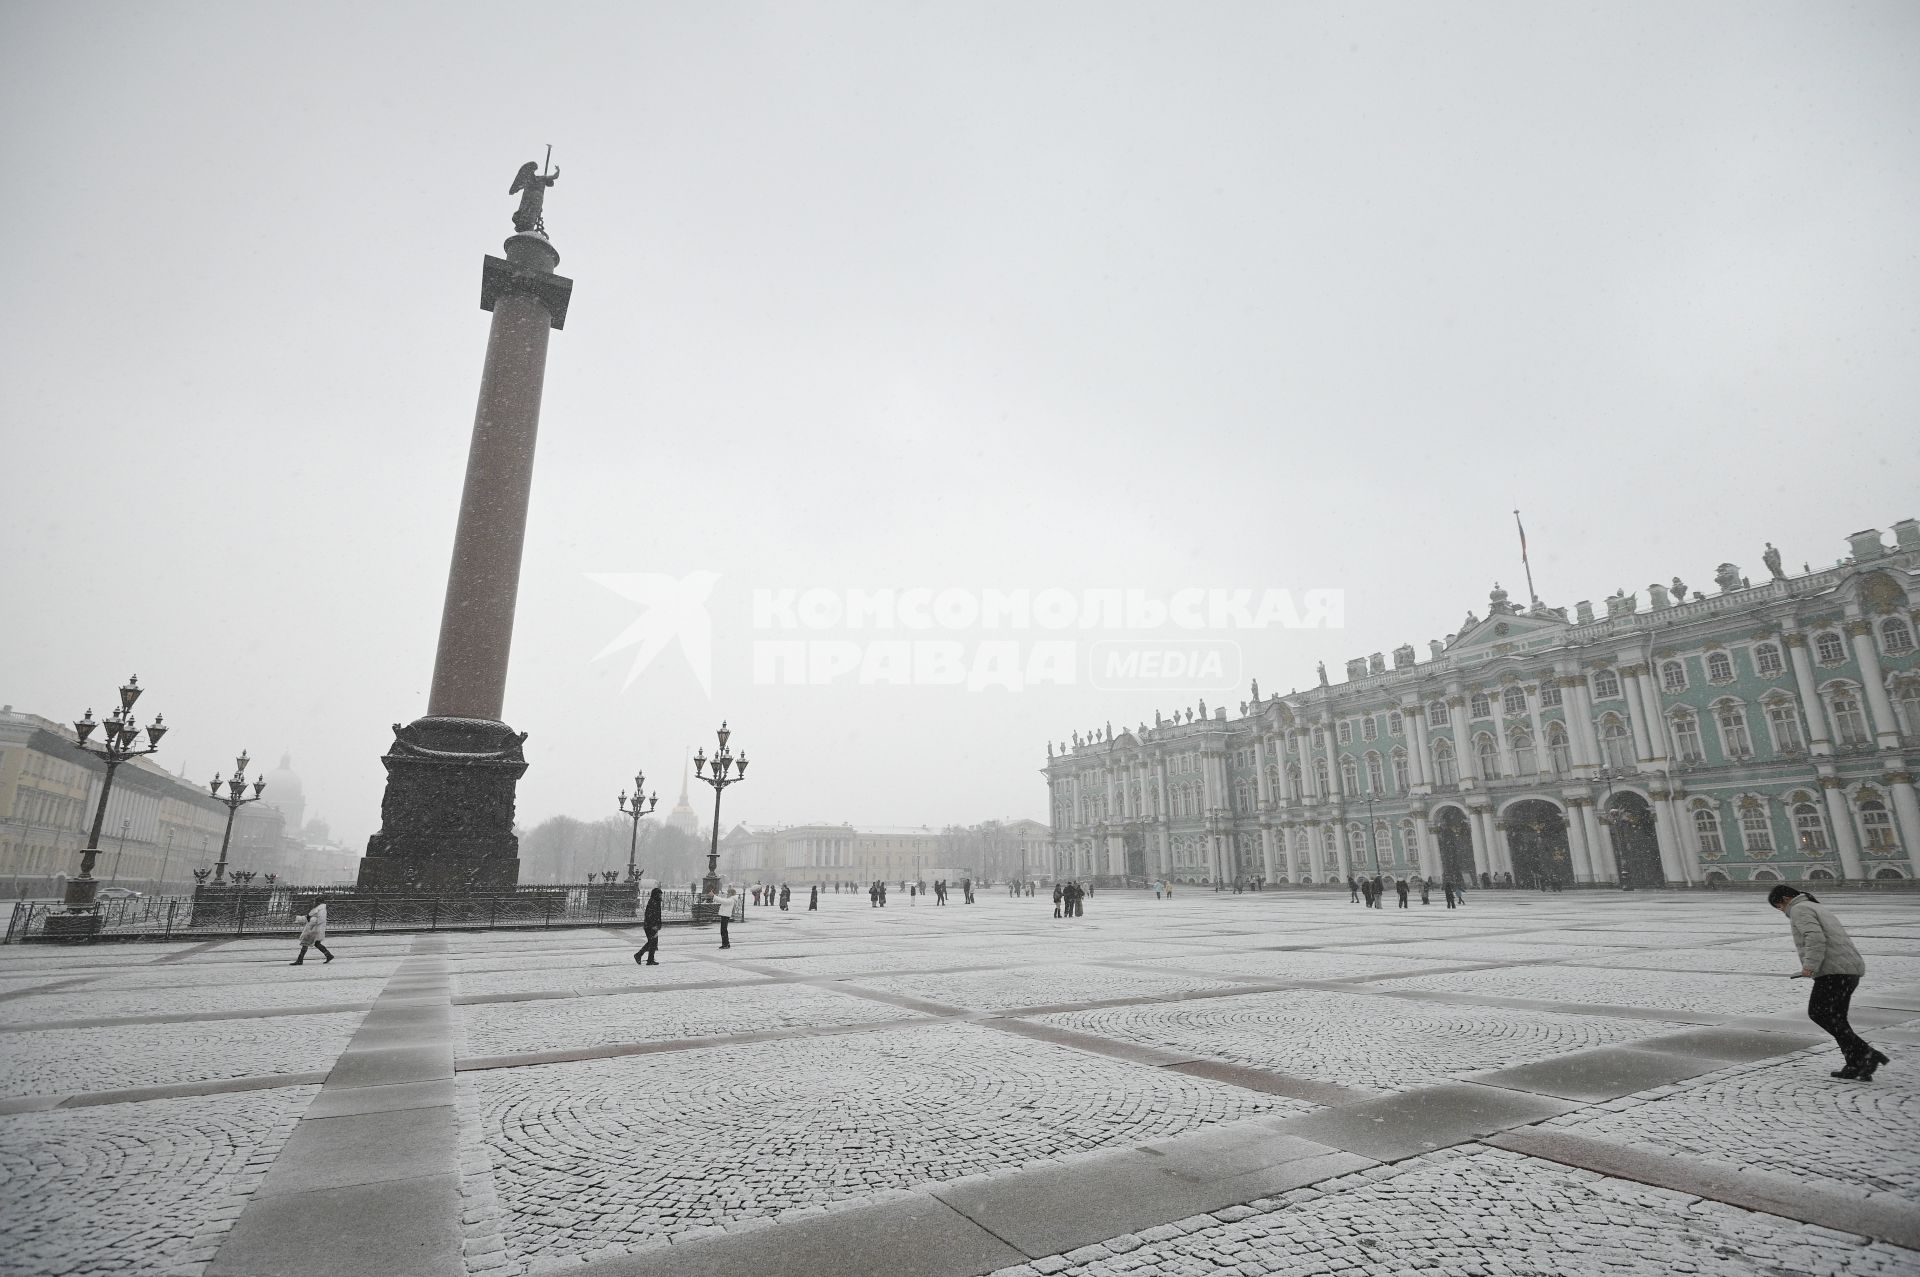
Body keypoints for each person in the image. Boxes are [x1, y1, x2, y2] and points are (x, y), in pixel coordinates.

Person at [1770, 885, 1888, 1080]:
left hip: (1834, 972)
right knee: (1837, 1018)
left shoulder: (1800, 909)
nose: (1782, 911)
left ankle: (1867, 1054)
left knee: (1819, 1013)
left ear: (1785, 898)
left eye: (1779, 906)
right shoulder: (1815, 906)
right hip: (1848, 970)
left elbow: (1815, 938)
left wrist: (1810, 966)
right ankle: (1855, 1064)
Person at [291, 898, 333, 965]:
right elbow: (308, 918)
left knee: (305, 944)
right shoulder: (316, 909)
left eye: (315, 901)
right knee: (316, 944)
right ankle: (328, 955)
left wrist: (313, 920)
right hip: (312, 929)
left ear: (319, 902)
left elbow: (321, 920)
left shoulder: (321, 909)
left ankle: (300, 960)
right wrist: (298, 918)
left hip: (314, 930)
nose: (314, 902)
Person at [634, 887, 664, 965]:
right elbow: (649, 915)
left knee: (653, 943)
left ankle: (648, 959)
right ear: (656, 895)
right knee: (652, 942)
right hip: (650, 926)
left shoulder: (656, 902)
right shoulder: (653, 902)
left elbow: (657, 915)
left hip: (653, 926)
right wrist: (653, 925)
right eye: (660, 894)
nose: (661, 896)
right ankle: (640, 956)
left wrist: (658, 924)